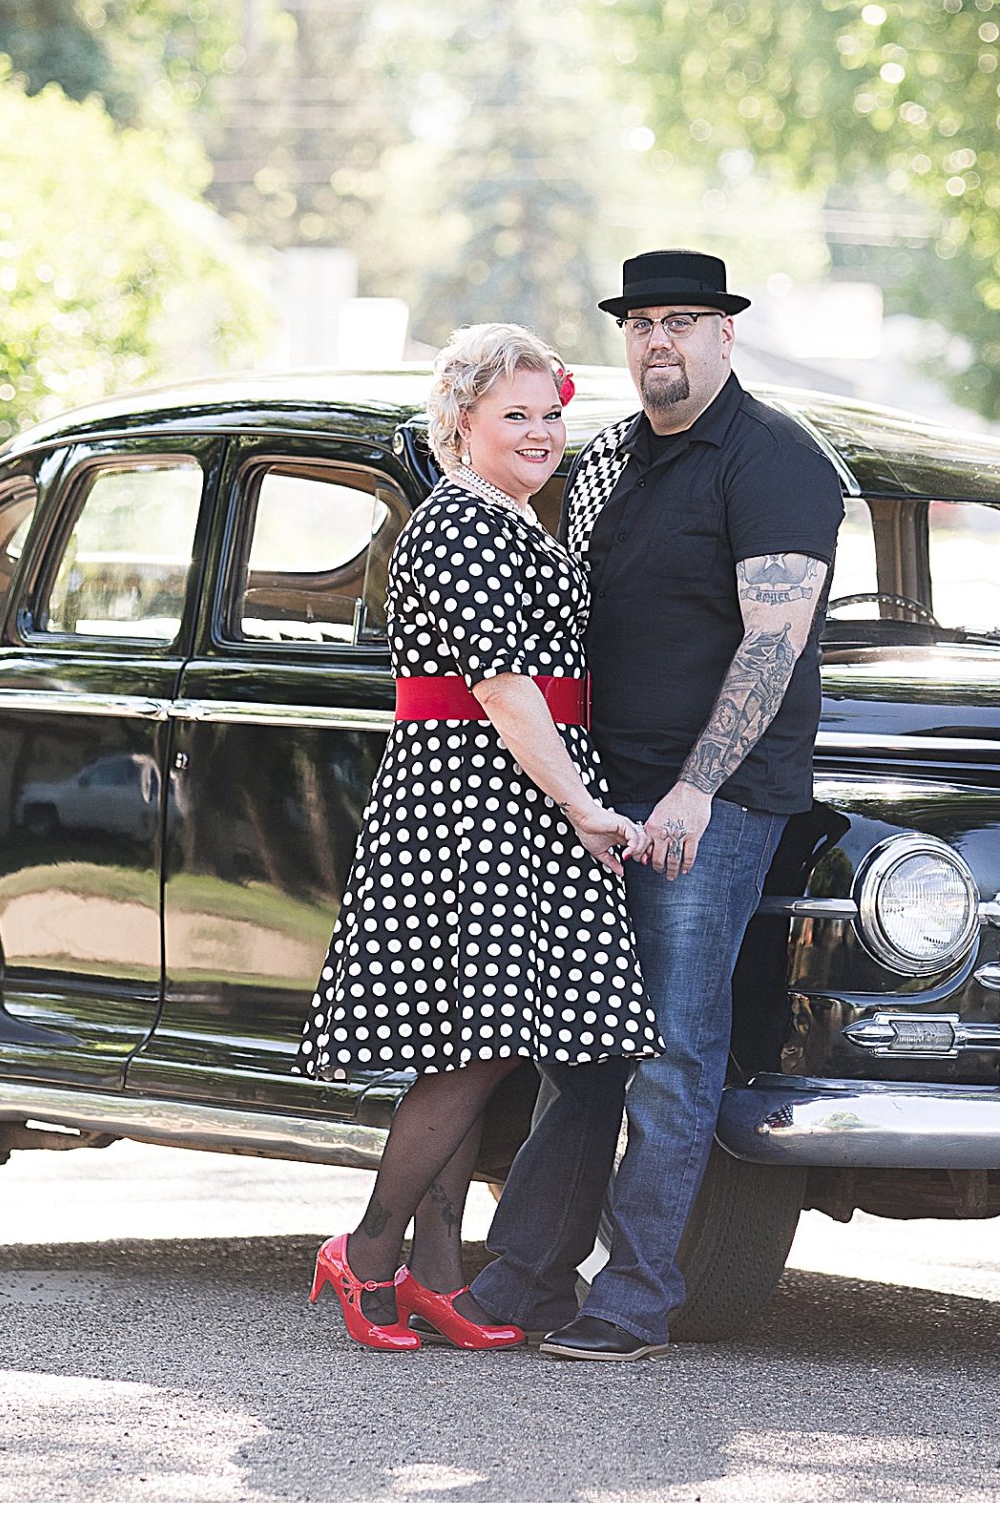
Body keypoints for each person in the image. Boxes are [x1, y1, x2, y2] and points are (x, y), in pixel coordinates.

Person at [456, 248, 846, 1361]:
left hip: (708, 805)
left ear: (726, 334)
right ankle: (523, 1278)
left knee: (674, 1047)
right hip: (597, 795)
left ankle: (632, 1299)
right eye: (640, 323)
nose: (658, 342)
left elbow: (774, 644)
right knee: (576, 1044)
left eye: (682, 320)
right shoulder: (612, 454)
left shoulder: (777, 460)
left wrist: (692, 790)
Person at [297, 322, 662, 1352]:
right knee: (481, 1041)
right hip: (474, 795)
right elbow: (503, 690)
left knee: (479, 1039)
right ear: (461, 422)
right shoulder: (459, 521)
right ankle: (367, 1252)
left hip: (504, 795)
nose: (543, 432)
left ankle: (437, 1270)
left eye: (551, 413)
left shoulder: (507, 517)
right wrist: (583, 805)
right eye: (517, 415)